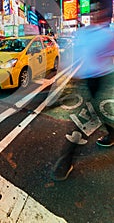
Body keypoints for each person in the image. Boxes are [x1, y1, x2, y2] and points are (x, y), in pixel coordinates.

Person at [52, 12, 114, 180]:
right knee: (96, 113)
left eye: (97, 15)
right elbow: (75, 56)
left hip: (101, 80)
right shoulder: (85, 33)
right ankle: (112, 134)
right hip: (87, 81)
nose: (94, 18)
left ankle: (64, 164)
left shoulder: (107, 35)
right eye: (93, 14)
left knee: (81, 119)